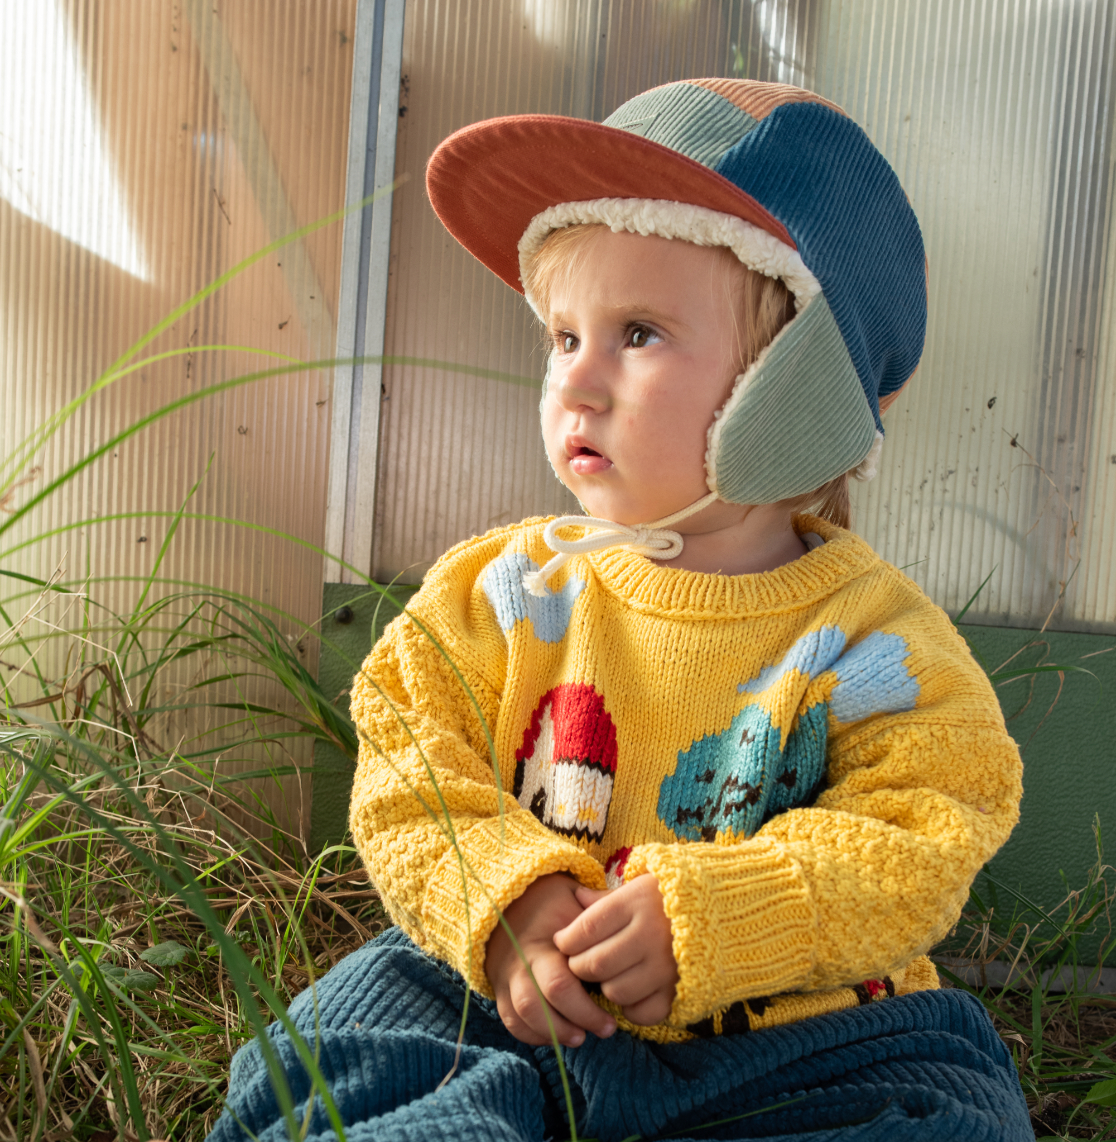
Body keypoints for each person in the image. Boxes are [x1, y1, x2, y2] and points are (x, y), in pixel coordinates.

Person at [209, 79, 1030, 1141]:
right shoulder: (503, 591)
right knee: (336, 1057)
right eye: (563, 337)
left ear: (796, 390)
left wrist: (726, 915)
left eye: (637, 333)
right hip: (504, 1002)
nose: (577, 384)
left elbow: (926, 828)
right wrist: (506, 898)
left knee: (946, 1121)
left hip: (801, 1035)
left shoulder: (879, 641)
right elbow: (410, 762)